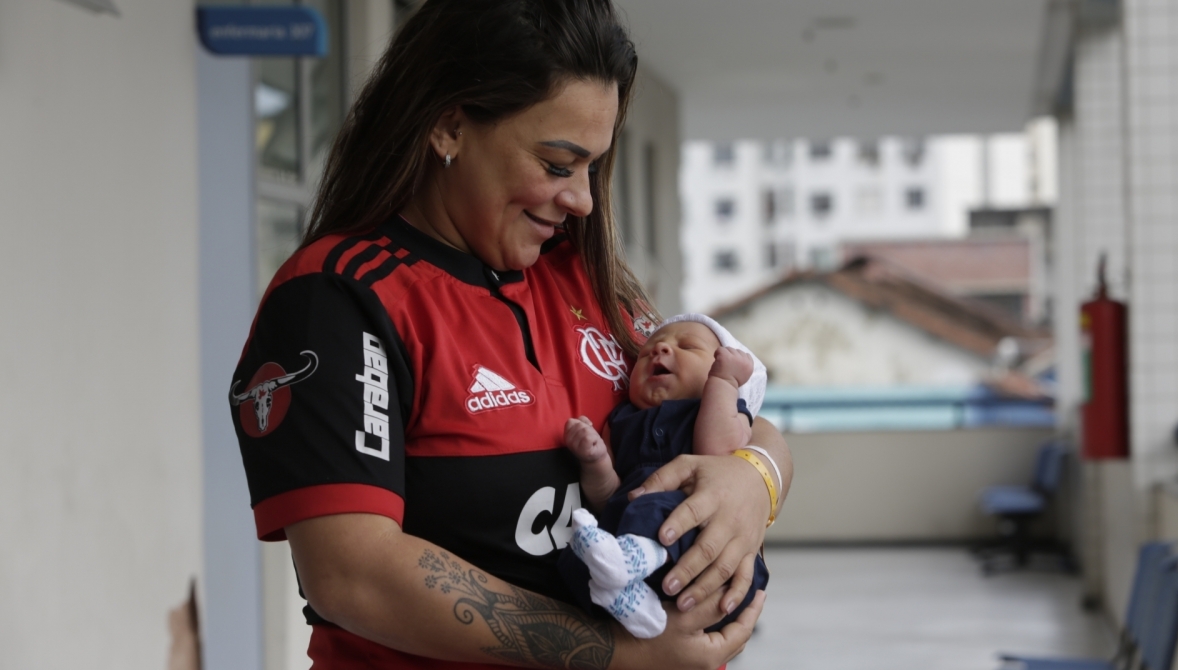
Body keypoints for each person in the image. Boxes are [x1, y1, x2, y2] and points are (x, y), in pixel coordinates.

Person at [227, 1, 792, 668]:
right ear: (448, 125)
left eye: (593, 167)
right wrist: (615, 655)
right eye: (558, 163)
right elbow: (355, 574)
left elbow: (738, 404)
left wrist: (755, 481)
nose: (582, 197)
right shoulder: (340, 298)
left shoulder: (589, 279)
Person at [559, 315, 774, 639]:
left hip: (698, 547)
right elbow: (608, 494)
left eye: (687, 346)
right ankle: (637, 605)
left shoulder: (727, 410)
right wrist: (596, 460)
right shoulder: (621, 419)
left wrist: (724, 384)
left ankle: (637, 561)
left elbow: (717, 451)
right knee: (572, 564)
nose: (659, 348)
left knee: (658, 510)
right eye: (645, 353)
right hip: (626, 534)